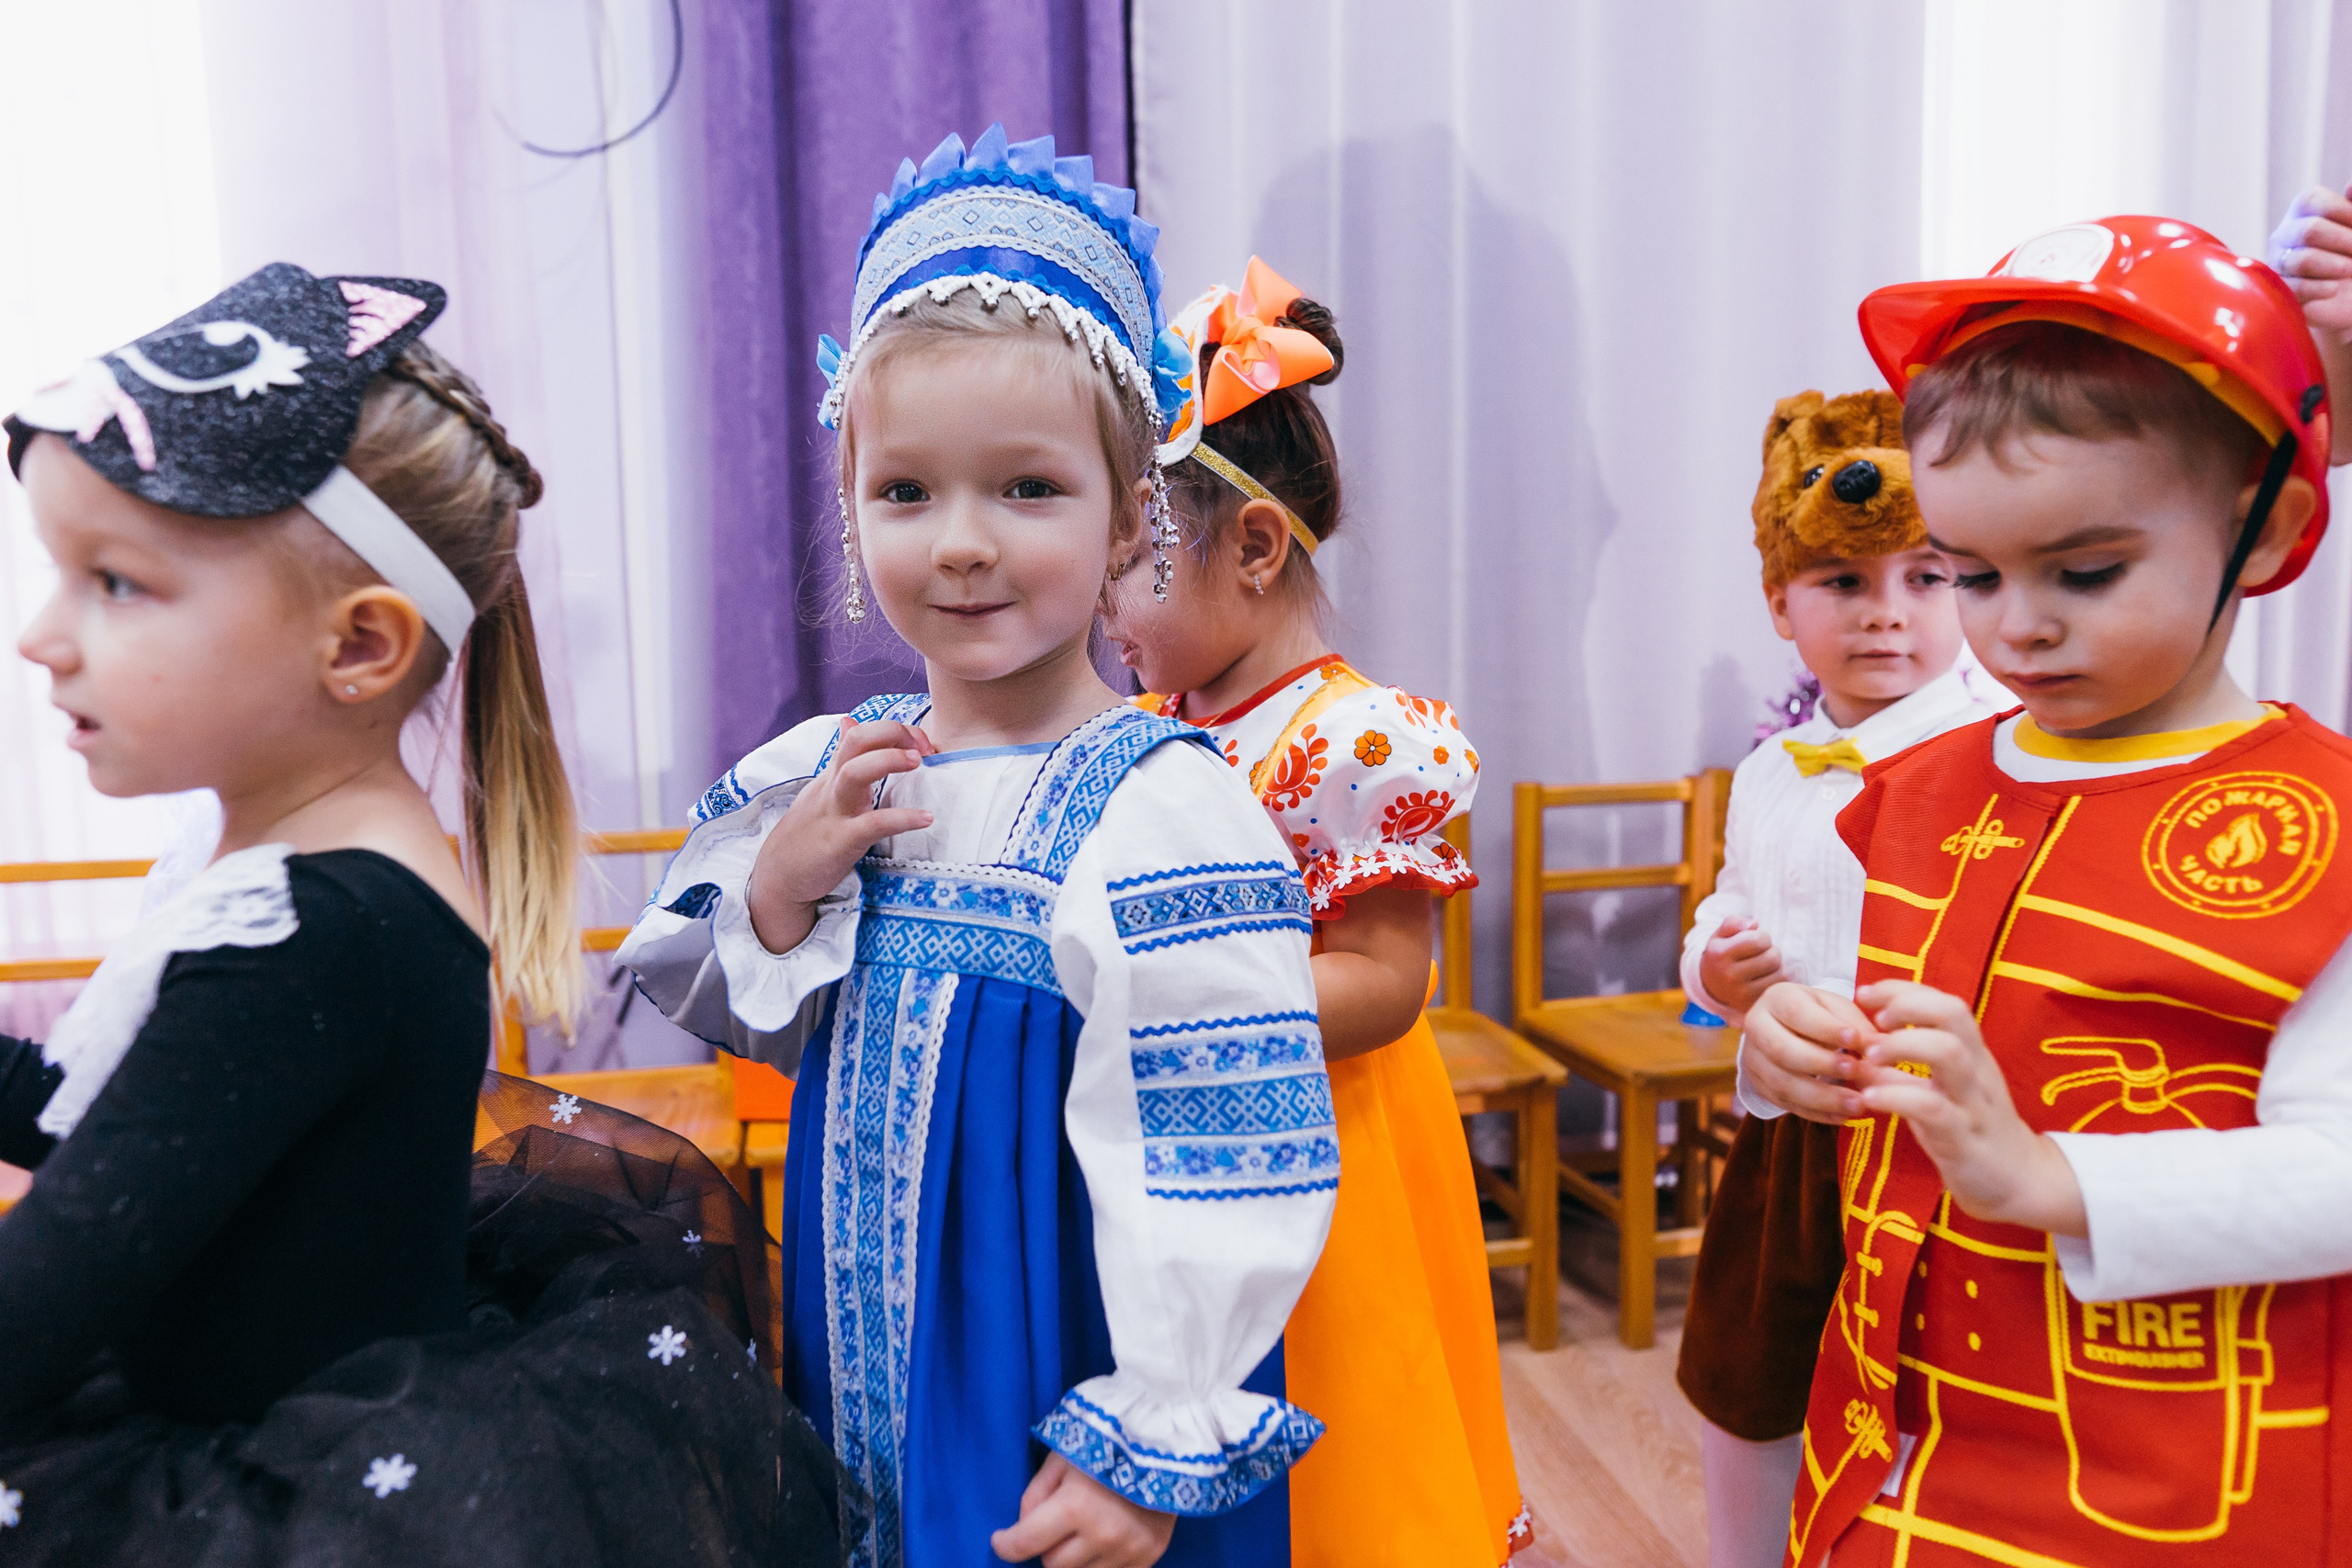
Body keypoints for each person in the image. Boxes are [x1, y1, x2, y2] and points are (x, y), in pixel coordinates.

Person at [0, 264, 855, 1566]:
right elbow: (100, 1120)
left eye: (116, 583)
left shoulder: (311, 932)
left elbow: (52, 1286)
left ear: (357, 647)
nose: (42, 638)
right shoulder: (287, 869)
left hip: (293, 1502)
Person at [617, 129, 1338, 1568]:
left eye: (1026, 488)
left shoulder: (1162, 809)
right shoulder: (825, 769)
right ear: (850, 504)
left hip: (1053, 1373)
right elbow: (689, 977)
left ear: (1135, 515)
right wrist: (780, 885)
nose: (959, 543)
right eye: (906, 493)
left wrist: (1153, 1434)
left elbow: (1230, 1143)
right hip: (856, 1346)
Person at [1742, 217, 2352, 1565]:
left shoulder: (2327, 826)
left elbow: (2340, 1169)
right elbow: (1874, 1022)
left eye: (2085, 571)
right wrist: (1788, 1044)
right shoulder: (1916, 780)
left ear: (2270, 530)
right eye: (1975, 573)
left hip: (2167, 1465)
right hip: (1896, 1437)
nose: (2017, 623)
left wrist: (2040, 1171)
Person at [1104, 256, 1531, 1568]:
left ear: (1252, 543)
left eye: (1128, 568)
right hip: (1181, 1133)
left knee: (1337, 1445)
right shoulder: (1149, 724)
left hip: (1325, 1148)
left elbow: (1388, 985)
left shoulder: (1353, 740)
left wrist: (1171, 998)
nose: (1098, 607)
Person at [1671, 389, 1996, 1568]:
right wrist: (1715, 961)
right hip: (1784, 1142)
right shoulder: (1768, 772)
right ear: (1779, 604)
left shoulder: (1994, 757)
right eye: (1843, 585)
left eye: (1926, 578)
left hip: (1925, 1158)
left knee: (1916, 1407)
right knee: (1745, 1380)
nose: (1887, 617)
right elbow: (1725, 904)